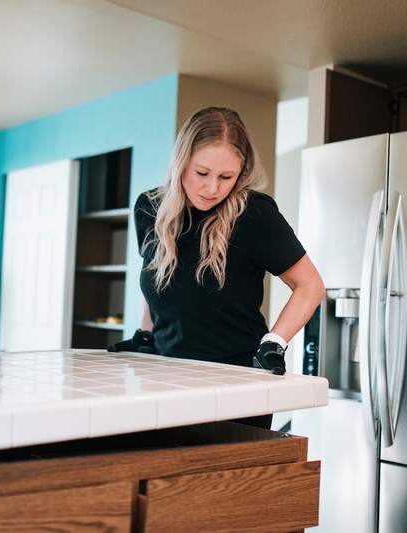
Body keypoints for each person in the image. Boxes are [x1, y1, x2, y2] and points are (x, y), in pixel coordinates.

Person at [109, 106, 325, 427]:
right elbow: (160, 279)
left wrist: (274, 343)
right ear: (181, 163)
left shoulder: (254, 215)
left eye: (227, 177)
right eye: (201, 173)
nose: (212, 188)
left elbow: (310, 286)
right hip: (166, 379)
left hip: (237, 382)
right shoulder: (150, 209)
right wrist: (146, 334)